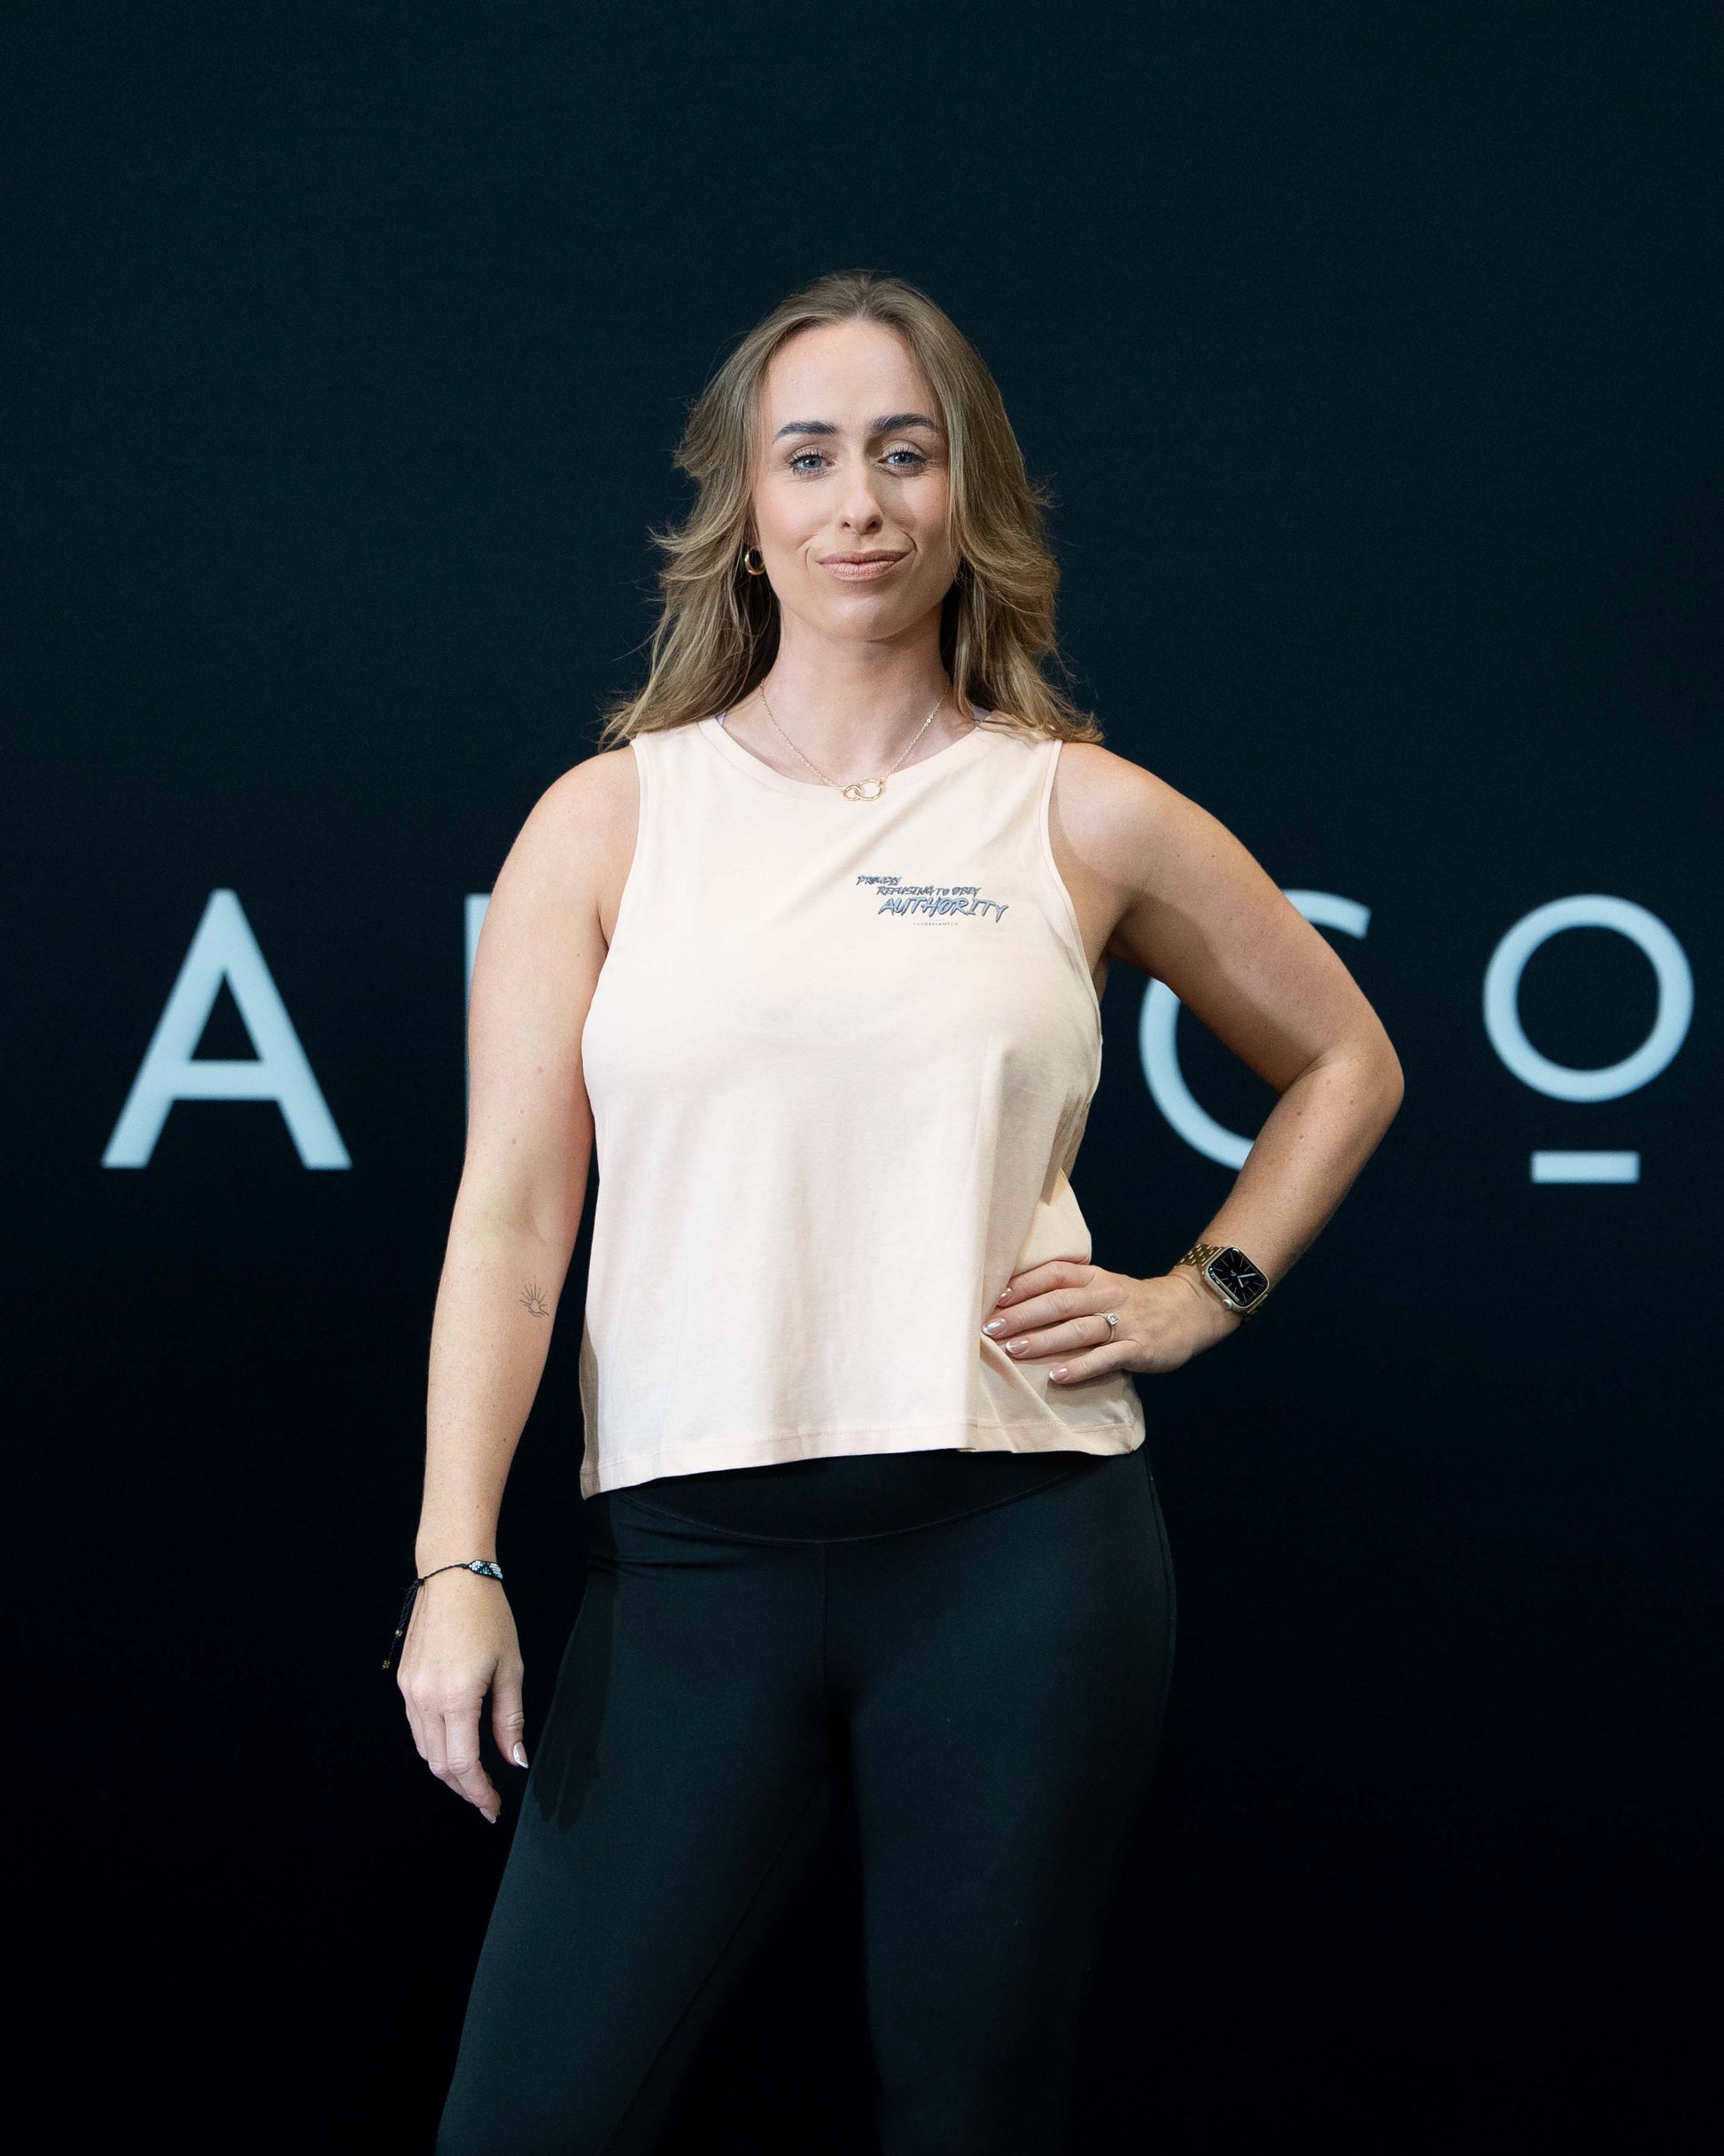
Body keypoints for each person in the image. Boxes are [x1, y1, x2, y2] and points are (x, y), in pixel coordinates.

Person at [396, 269, 1404, 2155]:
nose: (858, 497)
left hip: (1019, 1549)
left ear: (966, 499)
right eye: (811, 455)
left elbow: (1348, 1059)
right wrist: (457, 1562)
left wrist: (1207, 1287)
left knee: (970, 2108)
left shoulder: (1074, 812)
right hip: (689, 1572)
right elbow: (512, 1226)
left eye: (903, 451)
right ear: (749, 512)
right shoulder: (608, 822)